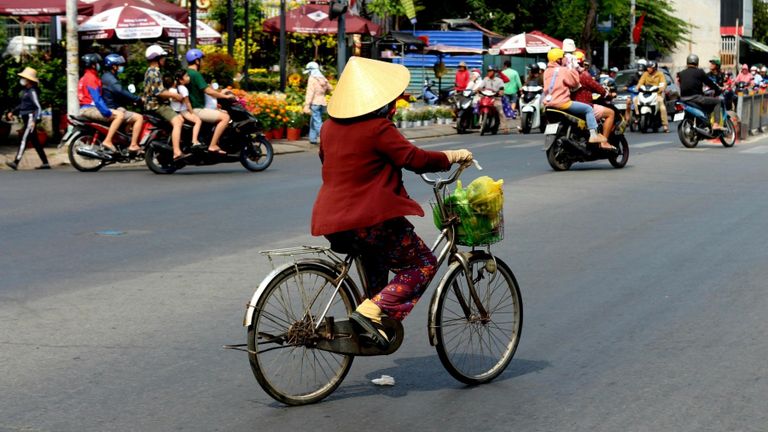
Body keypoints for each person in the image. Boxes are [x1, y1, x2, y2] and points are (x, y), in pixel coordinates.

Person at [310, 57, 473, 348]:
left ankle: (371, 324)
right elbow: (414, 159)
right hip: (371, 221)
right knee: (423, 263)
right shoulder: (378, 128)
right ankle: (371, 311)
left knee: (376, 264)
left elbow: (332, 162)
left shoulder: (328, 128)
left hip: (333, 221)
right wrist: (451, 156)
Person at [542, 47, 608, 145]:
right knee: (588, 109)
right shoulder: (563, 70)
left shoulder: (546, 71)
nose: (565, 59)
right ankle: (594, 135)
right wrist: (572, 68)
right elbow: (574, 82)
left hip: (548, 104)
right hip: (562, 103)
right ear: (559, 60)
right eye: (563, 57)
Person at [185, 48, 235, 155]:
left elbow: (207, 88)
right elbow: (208, 91)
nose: (203, 62)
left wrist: (220, 91)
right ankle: (212, 145)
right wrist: (224, 96)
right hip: (197, 109)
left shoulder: (187, 73)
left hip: (192, 108)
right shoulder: (195, 74)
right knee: (225, 117)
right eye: (201, 59)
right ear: (197, 61)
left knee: (223, 113)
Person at [143, 45, 185, 161]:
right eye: (162, 57)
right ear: (156, 59)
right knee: (178, 121)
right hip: (156, 105)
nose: (164, 60)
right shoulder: (154, 72)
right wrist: (175, 95)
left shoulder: (151, 71)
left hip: (154, 104)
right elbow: (158, 92)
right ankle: (176, 152)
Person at [77, 53, 124, 153]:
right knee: (119, 115)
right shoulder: (91, 78)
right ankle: (108, 141)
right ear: (93, 65)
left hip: (86, 108)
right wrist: (106, 112)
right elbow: (97, 99)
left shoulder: (86, 76)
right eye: (97, 63)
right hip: (90, 109)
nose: (99, 65)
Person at [4, 67, 50, 170]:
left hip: (30, 118)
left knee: (23, 140)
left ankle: (16, 162)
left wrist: (34, 120)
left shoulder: (32, 91)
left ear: (29, 80)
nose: (22, 79)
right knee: (35, 142)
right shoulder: (26, 91)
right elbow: (22, 105)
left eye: (24, 77)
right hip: (27, 118)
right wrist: (13, 111)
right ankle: (45, 163)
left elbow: (38, 107)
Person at [101, 53, 145, 154]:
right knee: (139, 118)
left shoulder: (108, 76)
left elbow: (118, 93)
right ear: (113, 66)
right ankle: (133, 145)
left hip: (113, 105)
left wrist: (131, 100)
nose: (121, 67)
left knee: (127, 113)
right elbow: (121, 91)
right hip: (112, 108)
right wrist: (138, 99)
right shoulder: (111, 79)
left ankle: (123, 140)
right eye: (119, 65)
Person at [571, 52, 615, 139]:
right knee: (611, 113)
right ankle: (604, 141)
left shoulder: (568, 74)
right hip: (583, 104)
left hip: (569, 104)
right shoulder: (584, 75)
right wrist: (607, 93)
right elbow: (598, 88)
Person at [677, 53, 722, 129]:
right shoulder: (700, 72)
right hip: (696, 98)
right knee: (717, 102)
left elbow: (680, 84)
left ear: (687, 62)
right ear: (697, 63)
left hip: (683, 99)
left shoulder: (681, 73)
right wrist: (717, 89)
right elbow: (709, 83)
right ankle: (716, 124)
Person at [168, 70, 204, 149]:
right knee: (198, 121)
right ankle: (194, 141)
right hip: (183, 111)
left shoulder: (172, 89)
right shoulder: (183, 89)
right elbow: (188, 103)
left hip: (175, 111)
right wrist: (192, 113)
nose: (189, 77)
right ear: (181, 80)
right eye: (186, 76)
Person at [302, 61, 332, 145]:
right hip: (322, 102)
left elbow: (310, 93)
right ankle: (312, 138)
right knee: (313, 120)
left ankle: (326, 138)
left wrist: (307, 105)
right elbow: (330, 88)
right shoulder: (323, 78)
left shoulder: (312, 79)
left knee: (317, 122)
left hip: (315, 102)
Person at [636, 60, 669, 132]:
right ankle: (637, 116)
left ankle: (665, 125)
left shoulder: (660, 74)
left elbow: (663, 83)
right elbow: (640, 82)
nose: (648, 69)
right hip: (646, 93)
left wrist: (661, 89)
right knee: (636, 99)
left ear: (654, 68)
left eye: (650, 67)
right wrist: (638, 87)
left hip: (657, 94)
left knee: (662, 107)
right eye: (647, 67)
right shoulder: (645, 74)